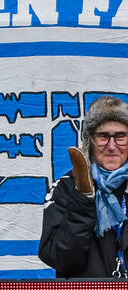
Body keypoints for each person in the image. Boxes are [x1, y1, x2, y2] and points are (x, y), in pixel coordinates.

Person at [40, 95, 128, 278]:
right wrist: (82, 198)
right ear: (89, 141)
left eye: (121, 136)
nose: (112, 146)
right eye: (103, 136)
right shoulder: (66, 186)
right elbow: (60, 259)